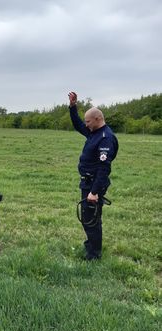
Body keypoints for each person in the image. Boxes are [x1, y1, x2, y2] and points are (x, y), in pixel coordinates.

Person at [68, 91, 118, 260]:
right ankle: (91, 245)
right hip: (88, 182)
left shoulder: (105, 138)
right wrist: (73, 107)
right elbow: (78, 125)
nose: (86, 125)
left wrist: (94, 192)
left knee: (92, 219)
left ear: (98, 119)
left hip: (94, 184)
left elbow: (104, 169)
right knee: (88, 217)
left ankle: (94, 255)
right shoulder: (93, 132)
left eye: (88, 121)